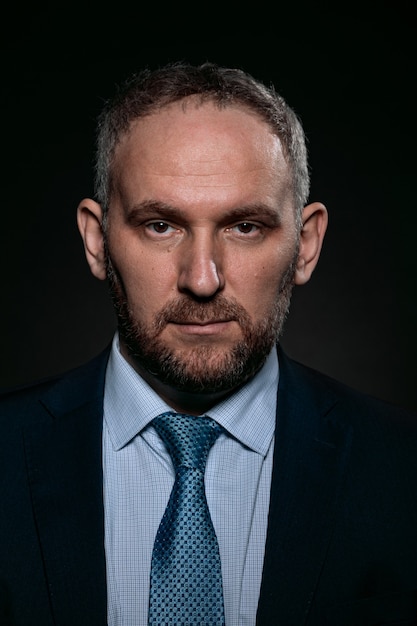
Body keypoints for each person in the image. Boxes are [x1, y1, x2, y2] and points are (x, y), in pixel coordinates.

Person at [1, 61, 416, 626]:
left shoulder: (402, 470)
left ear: (306, 244)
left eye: (245, 226)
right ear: (97, 242)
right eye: (160, 225)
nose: (202, 279)